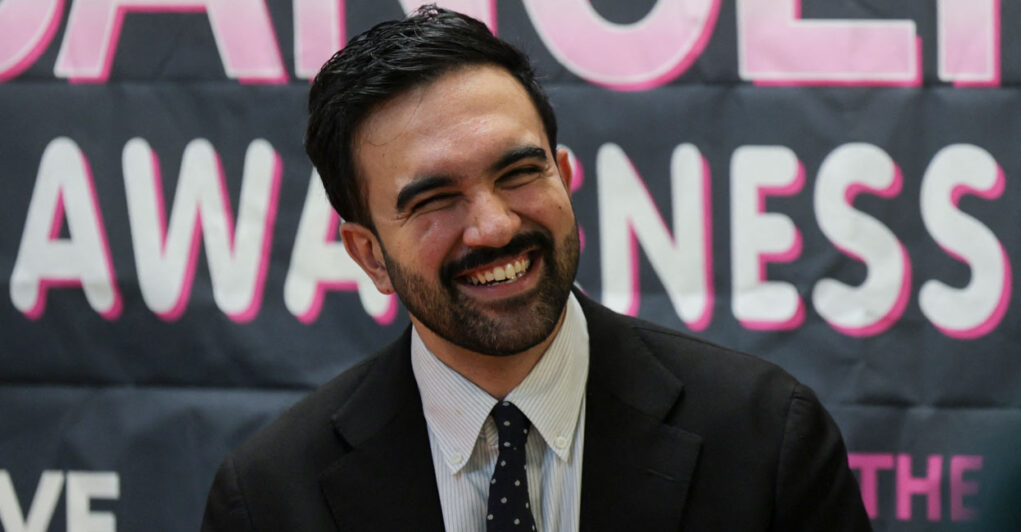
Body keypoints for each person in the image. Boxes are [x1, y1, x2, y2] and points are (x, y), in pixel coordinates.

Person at [201, 5, 870, 531]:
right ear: (370, 253)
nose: (494, 226)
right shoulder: (271, 498)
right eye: (435, 200)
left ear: (566, 177)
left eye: (519, 173)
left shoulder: (765, 441)